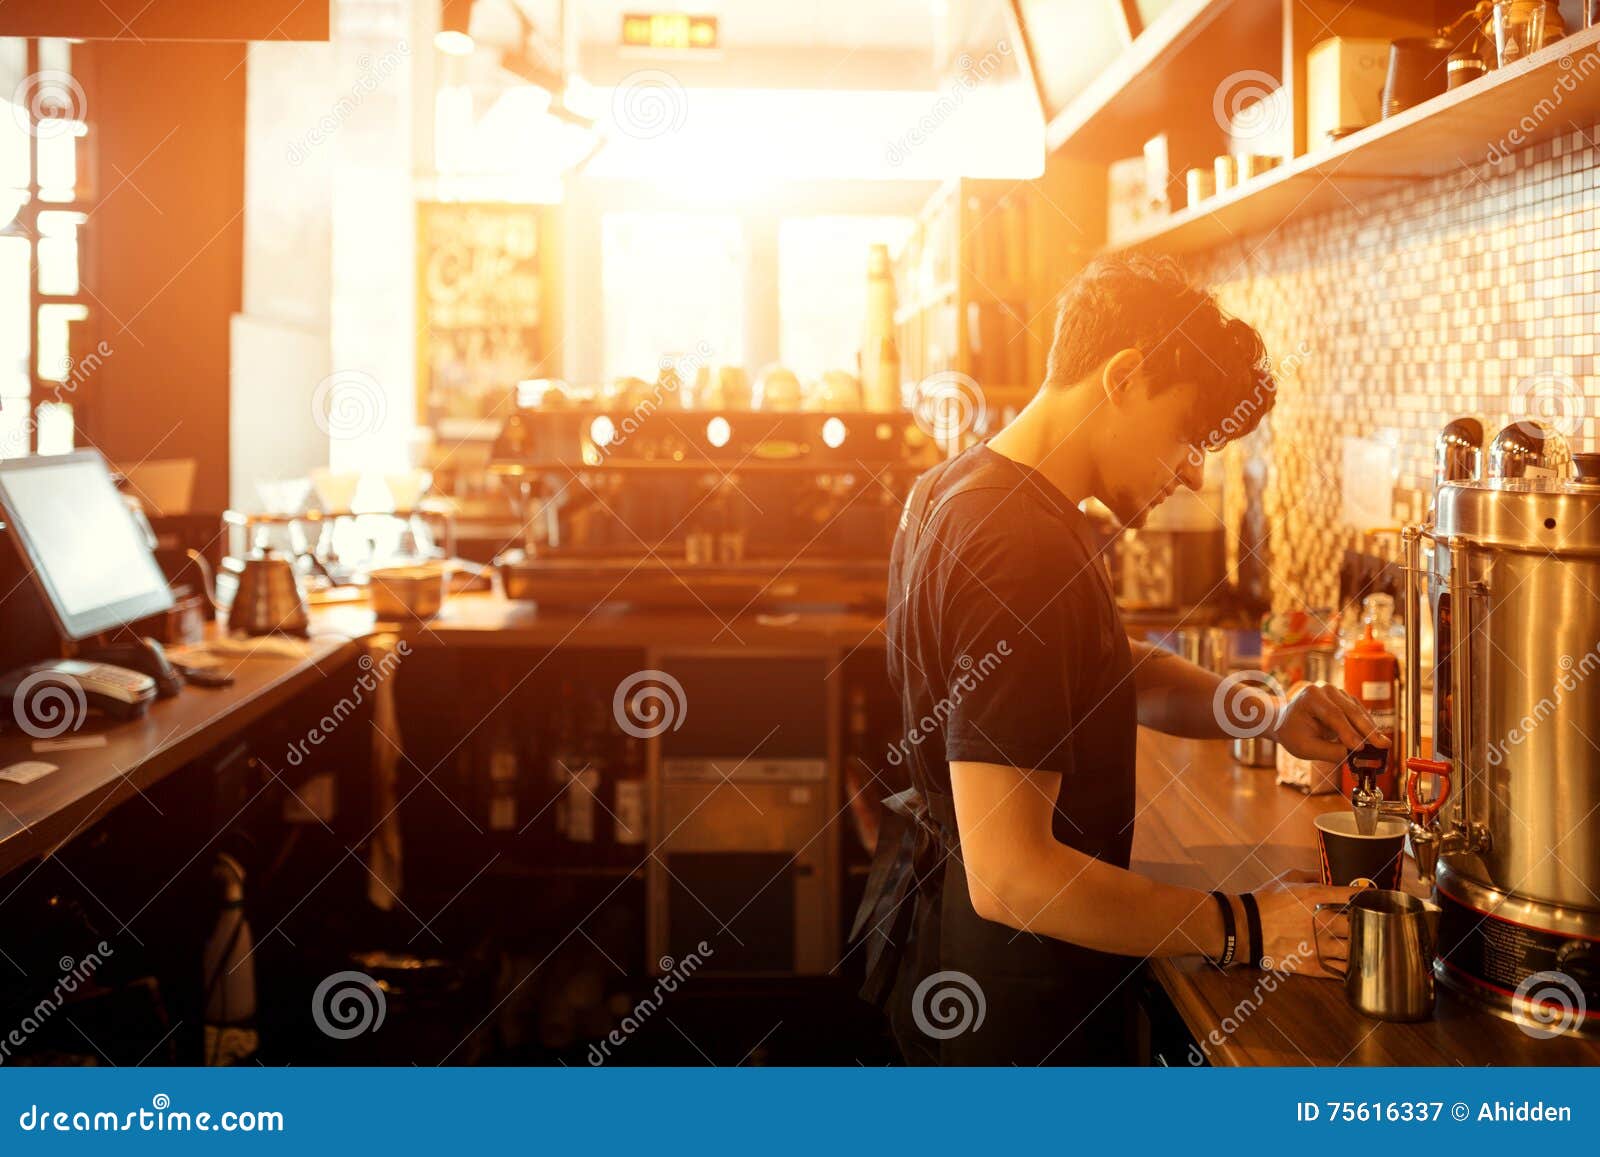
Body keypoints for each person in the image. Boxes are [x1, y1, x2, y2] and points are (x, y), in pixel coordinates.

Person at [859, 255, 1387, 1066]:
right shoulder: (1016, 543)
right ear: (1125, 376)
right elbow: (1012, 874)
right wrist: (1246, 924)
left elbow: (1105, 663)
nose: (1191, 468)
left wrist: (1267, 713)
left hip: (966, 951)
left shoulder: (960, 487)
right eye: (1186, 432)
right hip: (1014, 991)